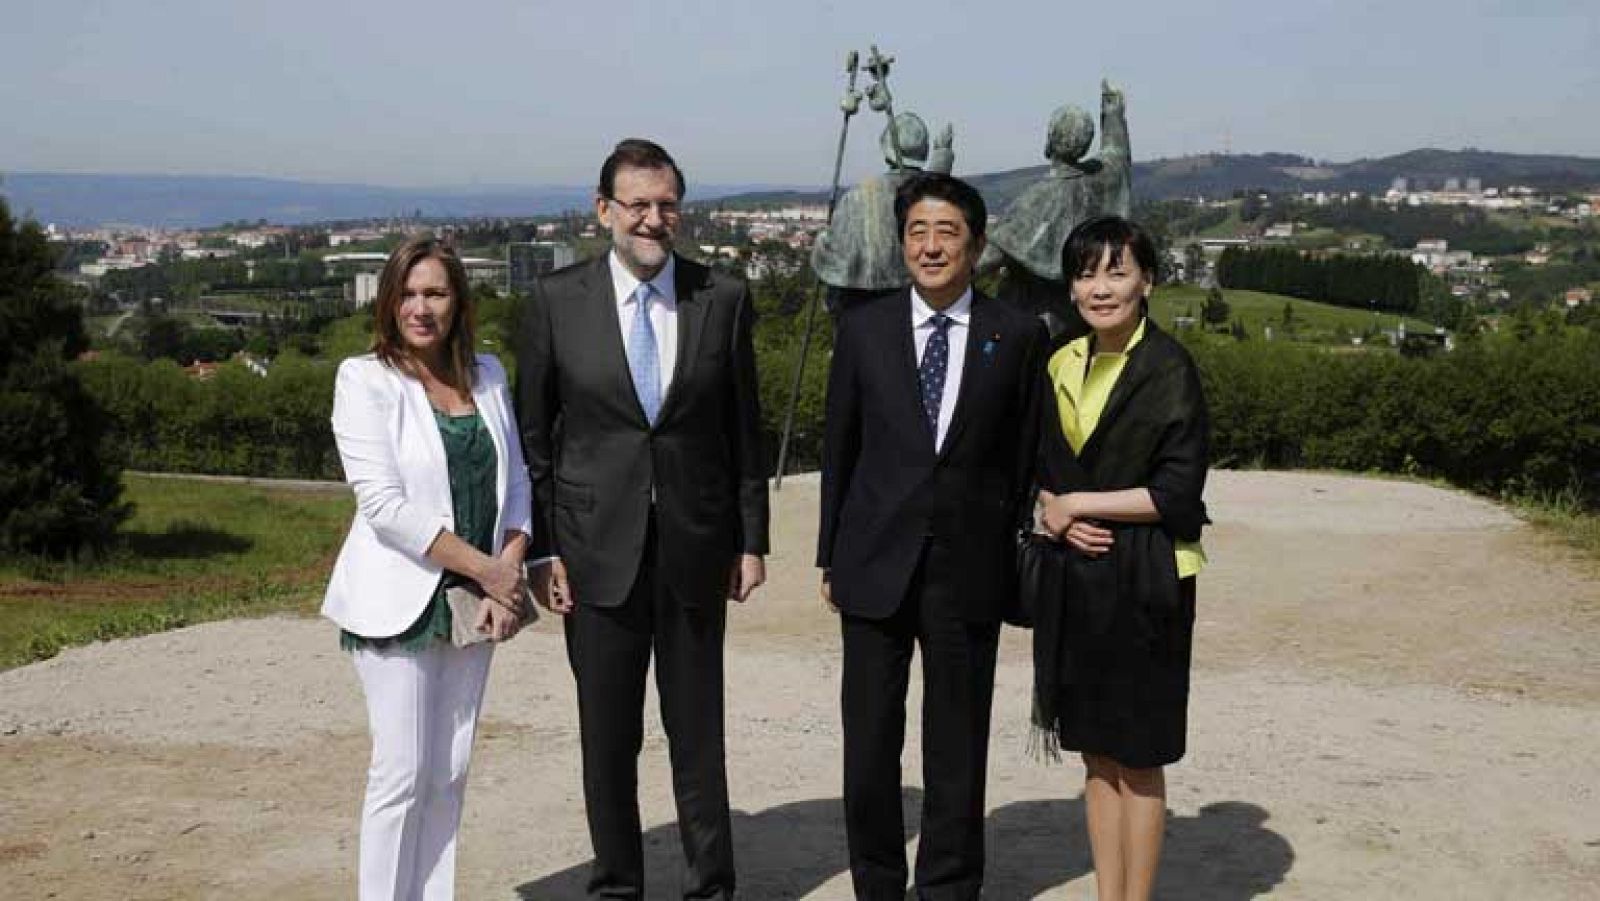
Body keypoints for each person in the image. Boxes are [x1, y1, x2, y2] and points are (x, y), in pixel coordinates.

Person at [515, 138, 770, 901]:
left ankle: (710, 887)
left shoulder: (720, 296)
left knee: (698, 739)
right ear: (604, 212)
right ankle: (618, 886)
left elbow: (743, 430)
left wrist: (751, 539)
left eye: (666, 205)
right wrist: (543, 551)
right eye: (638, 204)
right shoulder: (556, 301)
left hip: (695, 547)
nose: (653, 220)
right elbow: (537, 438)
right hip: (594, 556)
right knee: (609, 739)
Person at [818, 172, 1048, 901]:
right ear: (902, 241)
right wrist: (829, 552)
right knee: (869, 750)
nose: (931, 244)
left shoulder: (1015, 336)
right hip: (873, 562)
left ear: (976, 245)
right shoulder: (863, 329)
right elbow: (841, 448)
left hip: (968, 568)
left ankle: (948, 888)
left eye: (947, 231)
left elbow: (1025, 455)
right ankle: (878, 886)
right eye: (918, 230)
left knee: (957, 750)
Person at [322, 237, 533, 900]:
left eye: (435, 292)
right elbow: (384, 505)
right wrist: (488, 571)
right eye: (408, 293)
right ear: (389, 301)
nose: (421, 306)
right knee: (403, 772)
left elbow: (518, 481)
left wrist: (508, 569)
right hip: (399, 599)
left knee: (450, 768)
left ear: (458, 301)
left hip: (476, 601)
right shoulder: (365, 378)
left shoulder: (490, 374)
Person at [1032, 215, 1210, 901]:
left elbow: (1176, 493)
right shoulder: (1059, 360)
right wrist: (1054, 508)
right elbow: (1041, 468)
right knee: (1097, 753)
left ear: (1147, 281)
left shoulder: (1169, 368)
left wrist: (1079, 504)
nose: (1099, 287)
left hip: (1151, 578)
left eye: (1117, 270)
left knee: (1139, 756)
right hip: (1079, 578)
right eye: (1086, 272)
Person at [980, 80, 1132, 338]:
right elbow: (1117, 154)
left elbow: (987, 260)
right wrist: (1112, 110)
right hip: (1083, 320)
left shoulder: (1035, 199)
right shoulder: (1102, 182)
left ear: (1050, 139)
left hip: (1033, 323)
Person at [810, 112, 954, 312]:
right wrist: (943, 159)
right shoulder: (932, 196)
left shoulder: (858, 197)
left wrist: (821, 241)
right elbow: (932, 187)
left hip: (862, 311)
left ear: (886, 151)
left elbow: (835, 264)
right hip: (916, 310)